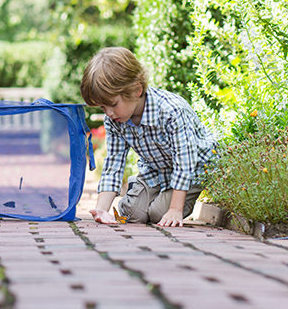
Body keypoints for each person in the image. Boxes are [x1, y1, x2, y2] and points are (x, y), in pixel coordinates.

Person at [80, 47, 216, 227]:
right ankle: (145, 192)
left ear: (136, 90)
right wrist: (102, 209)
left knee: (159, 213)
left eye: (112, 104)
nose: (109, 113)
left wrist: (175, 209)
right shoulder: (115, 120)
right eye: (102, 108)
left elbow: (185, 162)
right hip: (157, 171)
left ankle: (165, 198)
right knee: (132, 214)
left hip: (193, 169)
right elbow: (114, 163)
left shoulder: (171, 111)